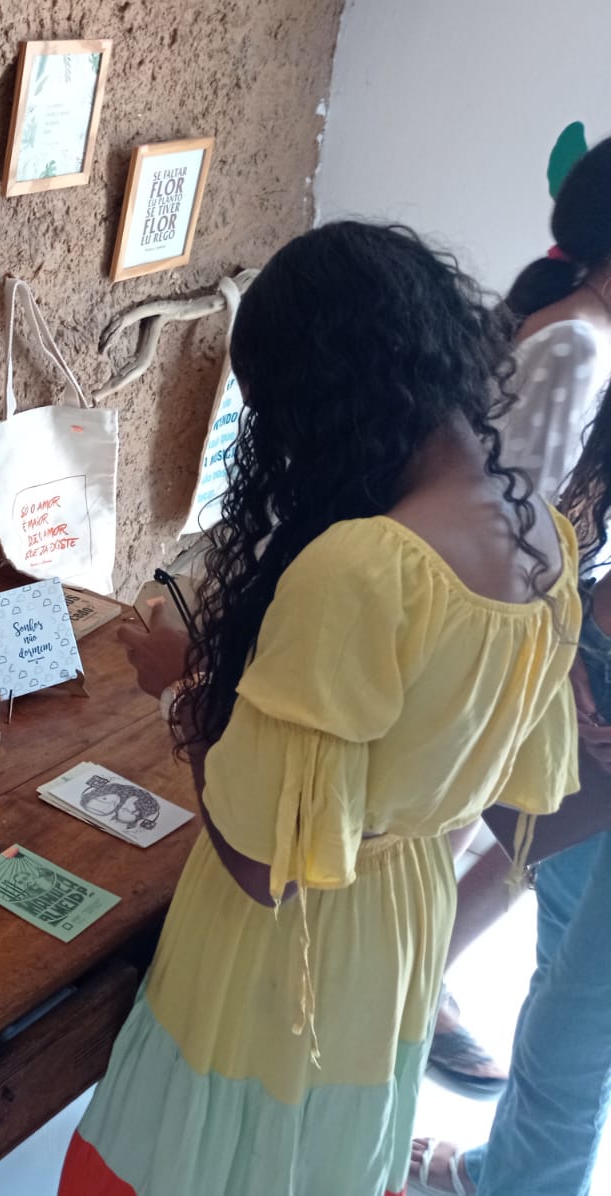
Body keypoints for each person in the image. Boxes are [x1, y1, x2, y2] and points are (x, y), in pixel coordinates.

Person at [59, 222, 579, 1196]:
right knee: (321, 1150)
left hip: (289, 947)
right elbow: (468, 766)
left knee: (207, 1149)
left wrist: (183, 688)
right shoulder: (541, 538)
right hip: (401, 916)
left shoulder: (364, 565)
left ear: (317, 398)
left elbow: (266, 867)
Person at [424, 134, 611, 1100]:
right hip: (506, 631)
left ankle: (419, 978)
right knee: (497, 830)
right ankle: (411, 983)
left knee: (505, 832)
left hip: (530, 629)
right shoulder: (577, 343)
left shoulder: (584, 329)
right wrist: (560, 653)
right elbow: (518, 518)